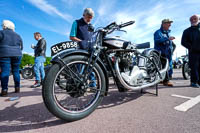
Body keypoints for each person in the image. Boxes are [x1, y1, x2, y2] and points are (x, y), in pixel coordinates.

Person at [69, 8, 96, 88]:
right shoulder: (76, 22)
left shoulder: (90, 26)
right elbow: (72, 36)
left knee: (91, 67)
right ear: (84, 15)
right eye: (88, 17)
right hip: (80, 49)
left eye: (91, 18)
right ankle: (77, 85)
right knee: (80, 68)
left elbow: (92, 37)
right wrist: (82, 41)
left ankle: (92, 85)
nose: (89, 20)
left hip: (90, 49)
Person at [0, 20, 23, 96]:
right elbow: (21, 47)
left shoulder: (1, 32)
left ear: (4, 26)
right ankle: (17, 88)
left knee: (5, 71)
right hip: (17, 54)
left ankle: (4, 90)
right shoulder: (18, 35)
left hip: (4, 53)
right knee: (16, 71)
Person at [154, 19, 175, 87]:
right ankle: (165, 81)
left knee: (169, 66)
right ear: (163, 24)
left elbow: (172, 44)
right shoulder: (158, 32)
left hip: (168, 53)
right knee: (164, 66)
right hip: (161, 52)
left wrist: (172, 49)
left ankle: (164, 79)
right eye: (168, 23)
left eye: (170, 23)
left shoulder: (168, 33)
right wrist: (167, 39)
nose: (170, 25)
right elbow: (157, 41)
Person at [181, 14, 200, 88]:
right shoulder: (186, 31)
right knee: (194, 67)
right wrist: (191, 47)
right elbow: (183, 42)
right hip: (193, 52)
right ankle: (194, 82)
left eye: (195, 19)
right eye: (191, 19)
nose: (193, 20)